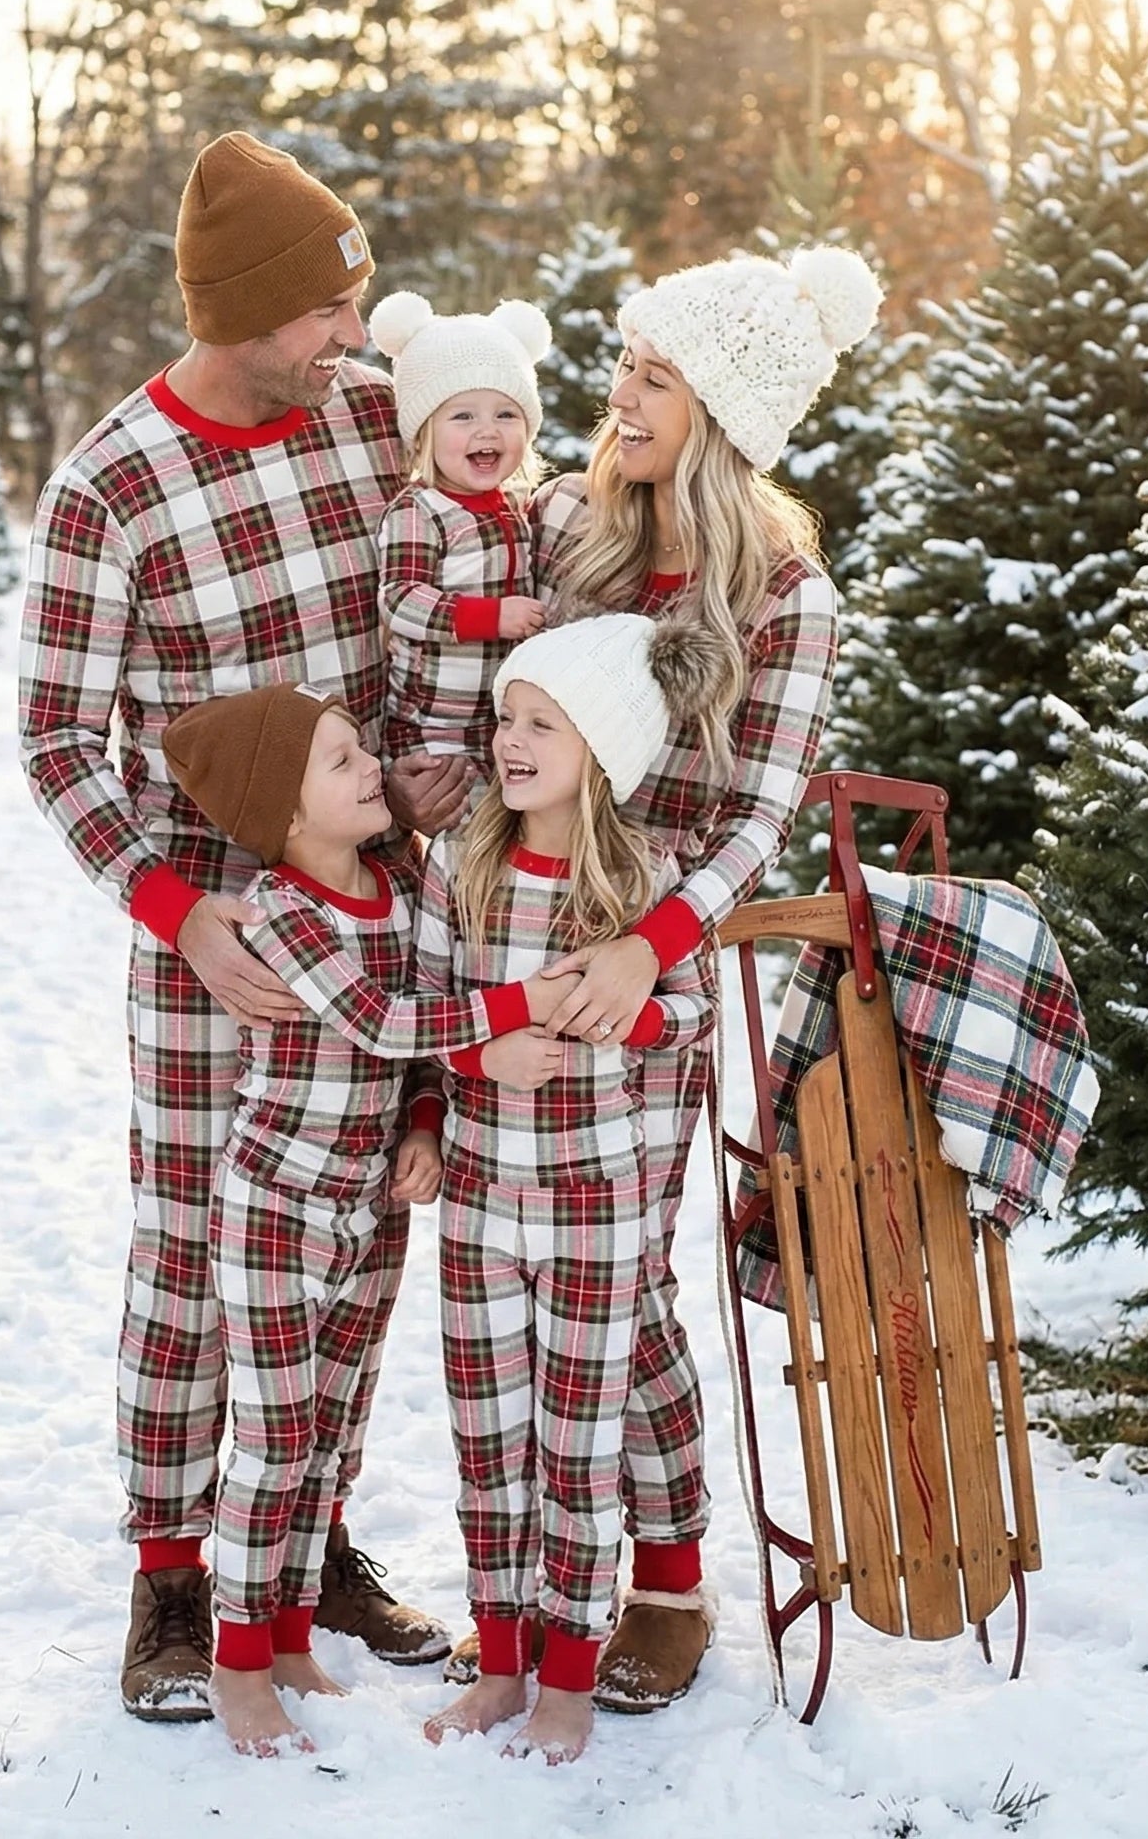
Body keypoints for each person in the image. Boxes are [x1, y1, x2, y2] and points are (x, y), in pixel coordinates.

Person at [19, 132, 470, 1724]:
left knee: (360, 1235)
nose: (355, 338)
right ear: (247, 309)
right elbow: (60, 742)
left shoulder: (363, 424)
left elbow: (470, 542)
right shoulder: (112, 488)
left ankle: (309, 1539)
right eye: (327, 312)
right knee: (198, 1252)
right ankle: (171, 1579)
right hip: (217, 950)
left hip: (379, 928)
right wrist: (179, 910)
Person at [521, 246, 876, 1711]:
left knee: (619, 1274)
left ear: (722, 417)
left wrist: (647, 946)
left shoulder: (784, 596)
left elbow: (756, 823)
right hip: (515, 929)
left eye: (655, 379)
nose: (620, 398)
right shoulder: (566, 529)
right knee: (521, 1268)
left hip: (646, 966)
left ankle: (664, 1578)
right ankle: (529, 1571)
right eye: (623, 366)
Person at [158, 683, 579, 1755]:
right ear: (285, 814)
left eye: (358, 749)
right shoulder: (281, 909)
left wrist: (429, 1122)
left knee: (331, 1434)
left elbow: (425, 1042)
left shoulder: (406, 881)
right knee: (274, 1434)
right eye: (342, 760)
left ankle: (292, 1631)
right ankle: (239, 1659)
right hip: (277, 1203)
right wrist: (518, 1011)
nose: (369, 770)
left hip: (369, 1205)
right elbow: (387, 1019)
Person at [416, 613, 721, 1764]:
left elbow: (688, 1014)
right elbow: (424, 1008)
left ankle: (566, 1678)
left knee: (576, 1446)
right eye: (504, 716)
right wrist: (473, 1057)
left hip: (595, 1205)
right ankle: (499, 1660)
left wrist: (623, 1012)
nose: (509, 740)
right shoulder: (466, 863)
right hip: (482, 1207)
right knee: (489, 1440)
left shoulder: (647, 880)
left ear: (601, 742)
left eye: (540, 721)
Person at [369, 291, 554, 771]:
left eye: (506, 414)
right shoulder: (420, 510)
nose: (488, 430)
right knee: (459, 836)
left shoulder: (515, 506)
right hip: (433, 727)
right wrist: (491, 617)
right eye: (463, 415)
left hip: (500, 725)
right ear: (426, 431)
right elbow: (401, 598)